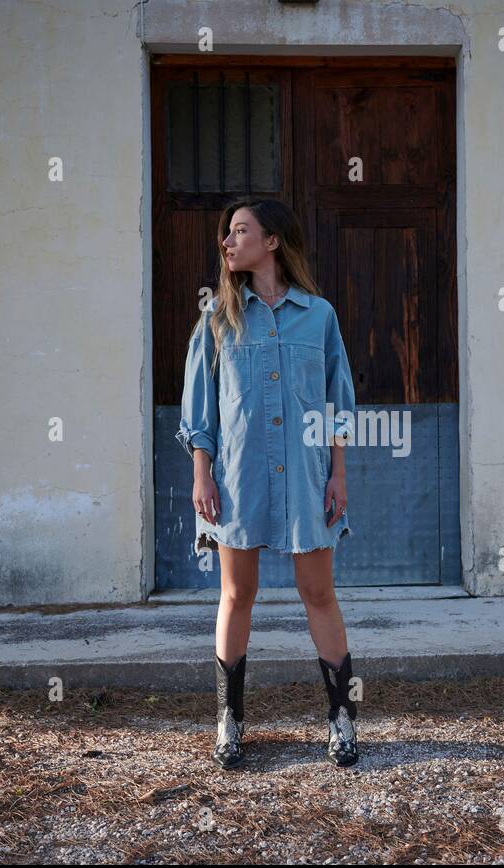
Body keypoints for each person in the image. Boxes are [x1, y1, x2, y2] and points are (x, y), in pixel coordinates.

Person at [176, 197, 360, 770]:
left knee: (318, 593)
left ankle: (341, 718)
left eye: (239, 231)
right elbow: (200, 413)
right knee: (237, 594)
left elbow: (339, 403)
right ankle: (230, 719)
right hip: (239, 478)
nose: (227, 243)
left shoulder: (320, 316)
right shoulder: (217, 320)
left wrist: (339, 473)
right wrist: (201, 474)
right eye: (226, 234)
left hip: (307, 481)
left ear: (272, 241)